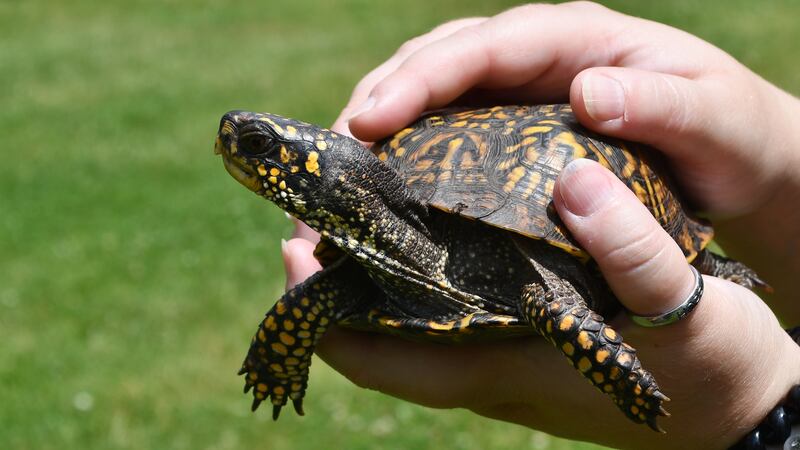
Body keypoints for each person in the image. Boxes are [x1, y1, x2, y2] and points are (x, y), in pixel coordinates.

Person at [280, 2, 800, 448]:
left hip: (557, 259)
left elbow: (555, 303)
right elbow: (310, 301)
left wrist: (747, 408)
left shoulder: (537, 292)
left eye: (262, 148)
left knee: (551, 305)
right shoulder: (357, 274)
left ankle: (710, 265)